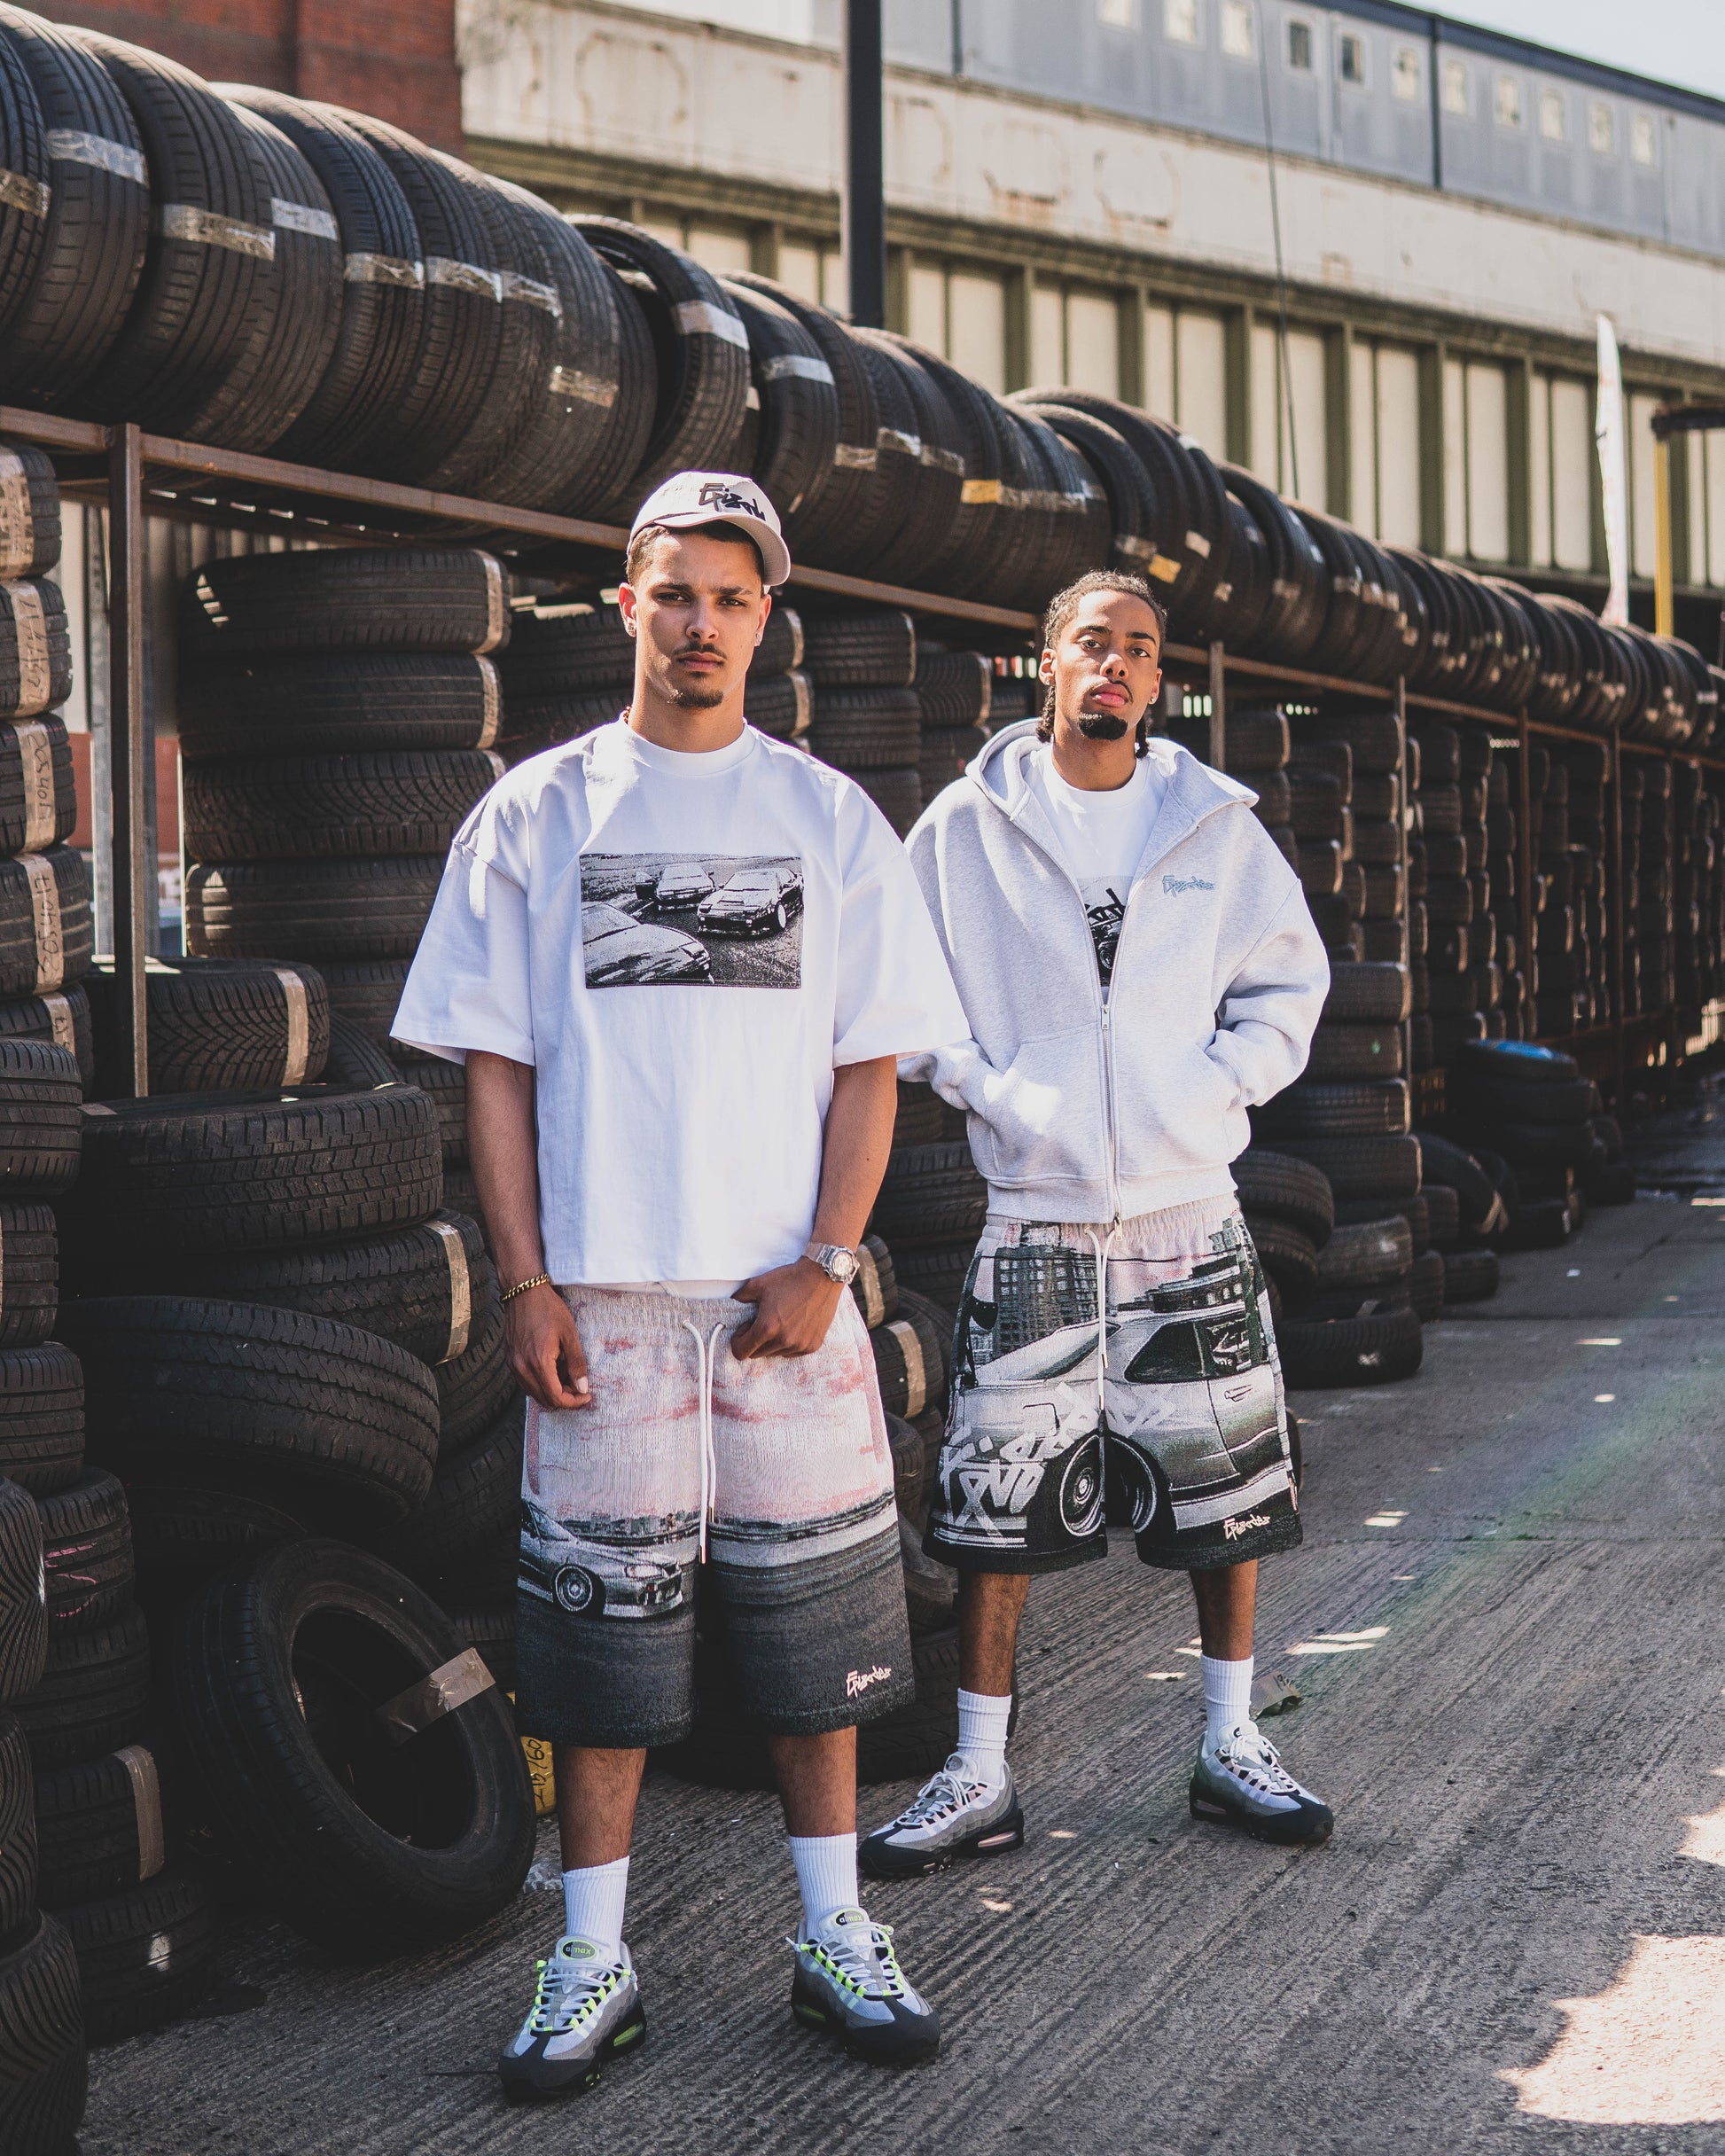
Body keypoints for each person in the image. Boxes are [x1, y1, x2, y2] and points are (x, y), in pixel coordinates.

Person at [393, 472, 971, 2097]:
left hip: (784, 1311)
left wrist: (830, 1261)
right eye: (675, 592)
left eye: (731, 596)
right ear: (624, 603)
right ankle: (593, 1957)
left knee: (813, 1638)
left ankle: (833, 1931)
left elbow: (870, 1066)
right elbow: (494, 1071)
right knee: (597, 1654)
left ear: (764, 618)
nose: (701, 623)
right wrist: (525, 1282)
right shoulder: (536, 813)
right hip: (609, 1311)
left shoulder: (827, 818)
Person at [861, 568, 1335, 1882]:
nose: (1115, 664)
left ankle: (1229, 1741)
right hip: (1037, 1217)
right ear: (1047, 663)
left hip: (1189, 1207)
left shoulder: (1215, 827)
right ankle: (979, 1770)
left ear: (1157, 679)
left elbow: (1288, 986)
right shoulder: (969, 827)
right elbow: (903, 994)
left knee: (1226, 1487)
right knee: (995, 1499)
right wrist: (996, 1091)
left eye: (1138, 648)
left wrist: (1214, 1089)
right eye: (1091, 643)